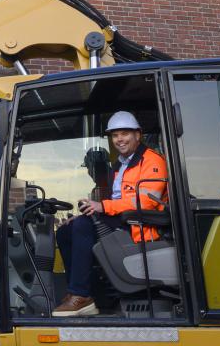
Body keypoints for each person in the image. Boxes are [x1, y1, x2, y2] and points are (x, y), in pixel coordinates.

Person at [51, 111, 168, 317]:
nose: (119, 139)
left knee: (82, 228)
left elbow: (146, 202)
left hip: (141, 224)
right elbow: (116, 200)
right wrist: (89, 212)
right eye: (115, 135)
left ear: (137, 135)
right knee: (65, 231)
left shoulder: (152, 161)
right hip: (122, 218)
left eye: (125, 134)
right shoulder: (120, 164)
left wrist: (102, 207)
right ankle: (80, 293)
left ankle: (81, 295)